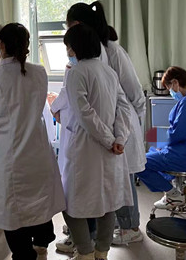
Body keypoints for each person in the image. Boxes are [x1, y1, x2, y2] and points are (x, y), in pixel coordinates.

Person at [0, 23, 65, 260]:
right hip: (38, 151)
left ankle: (25, 254)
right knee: (40, 202)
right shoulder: (39, 72)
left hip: (11, 156)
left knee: (14, 212)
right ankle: (42, 243)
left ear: (1, 44)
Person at [65, 2, 147, 246]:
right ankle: (94, 240)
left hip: (115, 128)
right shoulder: (88, 66)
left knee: (117, 184)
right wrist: (116, 136)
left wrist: (124, 132)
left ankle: (126, 228)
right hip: (110, 131)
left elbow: (133, 94)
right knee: (108, 189)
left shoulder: (111, 52)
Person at [60, 24, 132, 260]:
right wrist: (119, 138)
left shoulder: (76, 73)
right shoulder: (108, 72)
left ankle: (85, 252)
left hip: (87, 148)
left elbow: (84, 114)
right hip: (110, 149)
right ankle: (102, 251)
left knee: (71, 204)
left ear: (75, 47)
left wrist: (111, 140)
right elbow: (124, 108)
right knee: (107, 202)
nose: (68, 51)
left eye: (68, 46)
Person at [138, 66, 186, 208]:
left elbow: (177, 134)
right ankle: (175, 191)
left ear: (175, 83)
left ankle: (173, 195)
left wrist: (161, 142)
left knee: (139, 163)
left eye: (169, 88)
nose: (171, 92)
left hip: (185, 157)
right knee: (153, 152)